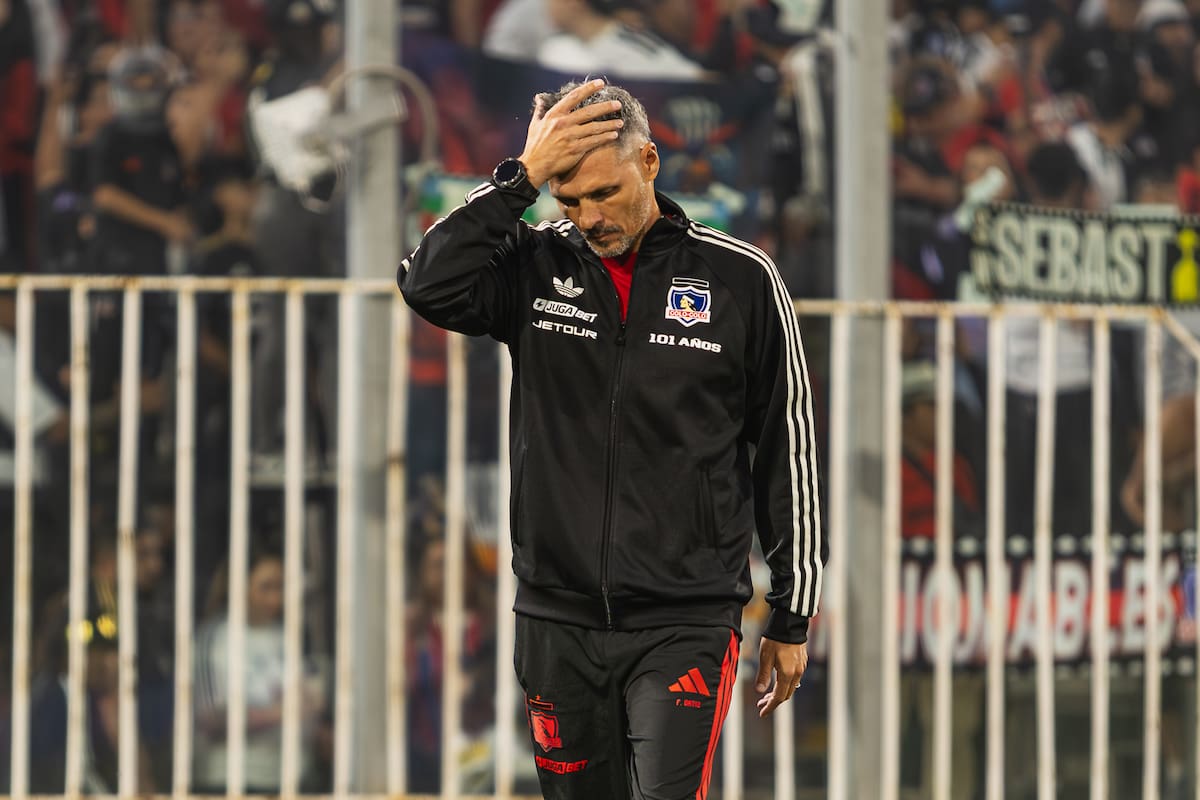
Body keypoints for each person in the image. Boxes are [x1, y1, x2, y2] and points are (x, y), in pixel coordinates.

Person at [398, 78, 825, 800]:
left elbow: (786, 446)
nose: (589, 216)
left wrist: (792, 610)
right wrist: (519, 179)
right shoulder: (534, 266)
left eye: (603, 191)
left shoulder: (742, 279)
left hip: (685, 617)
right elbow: (426, 285)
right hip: (555, 618)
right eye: (568, 199)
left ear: (650, 161)